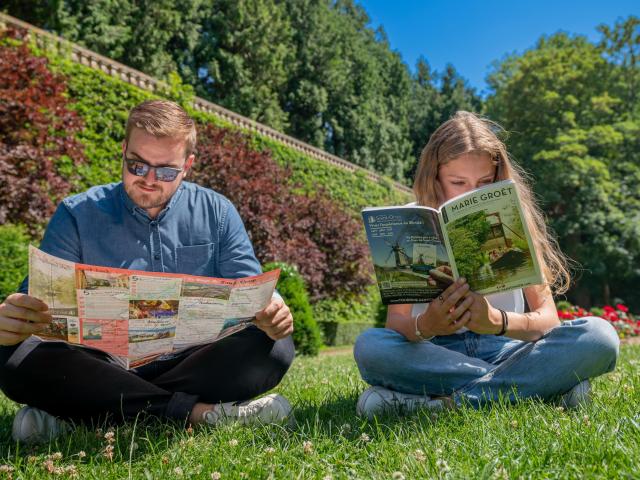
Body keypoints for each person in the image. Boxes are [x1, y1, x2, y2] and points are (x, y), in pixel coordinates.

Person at [0, 100, 296, 443]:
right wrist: (13, 319)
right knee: (13, 357)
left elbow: (253, 289)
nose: (149, 180)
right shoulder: (76, 214)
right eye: (137, 165)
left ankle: (85, 414)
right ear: (123, 151)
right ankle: (200, 414)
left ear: (188, 165)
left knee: (274, 346)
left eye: (166, 171)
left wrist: (274, 309)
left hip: (189, 363)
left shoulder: (217, 212)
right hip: (103, 363)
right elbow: (38, 307)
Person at [354, 111, 619, 418]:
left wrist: (496, 321)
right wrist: (427, 325)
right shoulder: (411, 222)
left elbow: (548, 320)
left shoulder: (510, 217)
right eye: (457, 182)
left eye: (484, 182)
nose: (472, 193)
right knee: (371, 347)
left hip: (506, 348)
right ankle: (541, 385)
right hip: (435, 354)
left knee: (599, 336)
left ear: (497, 177)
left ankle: (440, 404)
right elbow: (396, 325)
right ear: (435, 177)